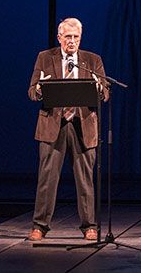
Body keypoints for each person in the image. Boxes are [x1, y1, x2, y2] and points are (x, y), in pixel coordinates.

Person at [27, 18, 109, 241]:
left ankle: (90, 226)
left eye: (76, 37)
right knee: (47, 178)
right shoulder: (45, 58)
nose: (72, 41)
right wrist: (40, 88)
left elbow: (105, 93)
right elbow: (32, 92)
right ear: (59, 37)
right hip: (53, 125)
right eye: (68, 37)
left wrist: (100, 88)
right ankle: (40, 226)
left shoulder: (92, 60)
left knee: (85, 179)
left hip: (83, 126)